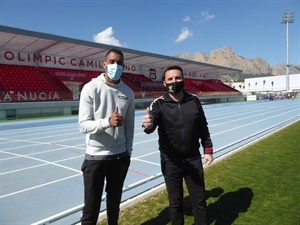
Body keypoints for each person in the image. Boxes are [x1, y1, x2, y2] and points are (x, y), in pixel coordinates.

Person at [142, 65, 213, 225]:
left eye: (177, 78)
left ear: (183, 79)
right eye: (170, 79)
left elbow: (203, 127)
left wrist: (207, 150)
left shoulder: (194, 100)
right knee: (175, 204)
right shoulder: (158, 104)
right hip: (170, 162)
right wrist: (147, 125)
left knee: (199, 201)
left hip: (193, 160)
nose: (174, 81)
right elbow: (150, 126)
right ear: (164, 83)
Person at [78, 48, 135, 225]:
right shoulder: (91, 88)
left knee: (114, 206)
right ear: (104, 64)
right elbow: (83, 125)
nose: (115, 65)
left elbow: (130, 127)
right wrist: (107, 122)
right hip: (96, 158)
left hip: (120, 157)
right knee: (91, 208)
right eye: (112, 62)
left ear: (124, 66)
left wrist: (128, 153)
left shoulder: (128, 92)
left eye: (119, 63)